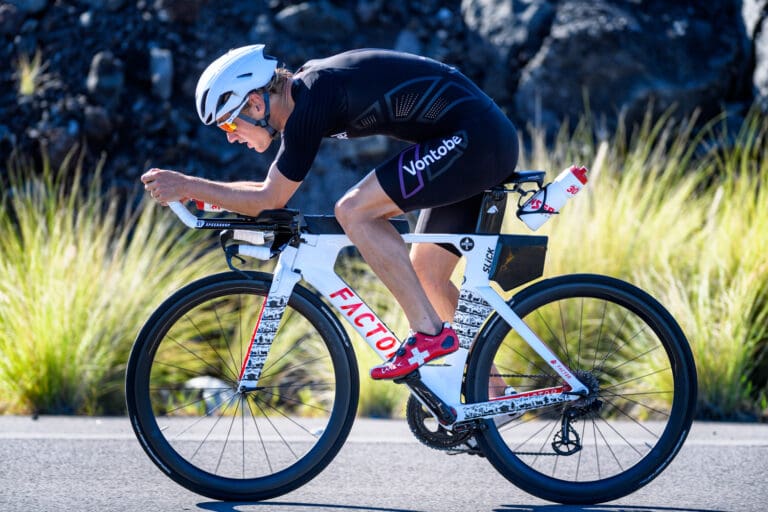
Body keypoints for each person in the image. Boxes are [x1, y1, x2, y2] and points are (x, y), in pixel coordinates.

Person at [141, 45, 519, 381]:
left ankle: (429, 335)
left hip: (474, 140)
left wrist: (189, 185)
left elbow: (268, 198)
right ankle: (493, 394)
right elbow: (265, 195)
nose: (228, 135)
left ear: (256, 104)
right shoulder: (306, 95)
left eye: (227, 122)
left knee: (354, 211)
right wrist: (210, 195)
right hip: (473, 139)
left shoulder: (311, 101)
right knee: (427, 276)